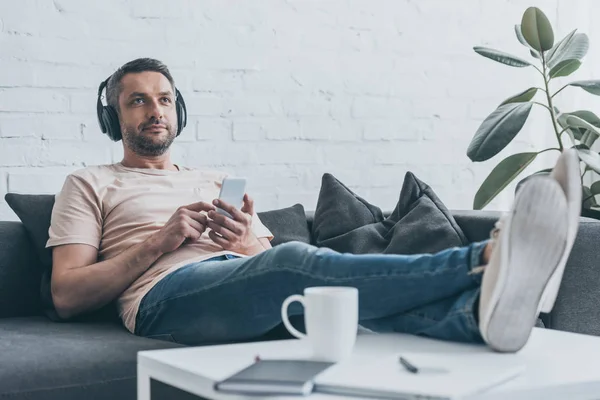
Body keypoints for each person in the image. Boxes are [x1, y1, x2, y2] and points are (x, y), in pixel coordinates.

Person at [47, 58, 581, 353]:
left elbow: (266, 255)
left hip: (246, 276)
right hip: (161, 300)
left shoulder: (214, 179)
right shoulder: (89, 182)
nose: (154, 110)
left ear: (178, 110)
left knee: (331, 296)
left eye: (164, 99)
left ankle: (477, 318)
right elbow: (67, 295)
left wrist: (245, 241)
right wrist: (161, 240)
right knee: (296, 263)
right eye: (137, 99)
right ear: (114, 117)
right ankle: (486, 259)